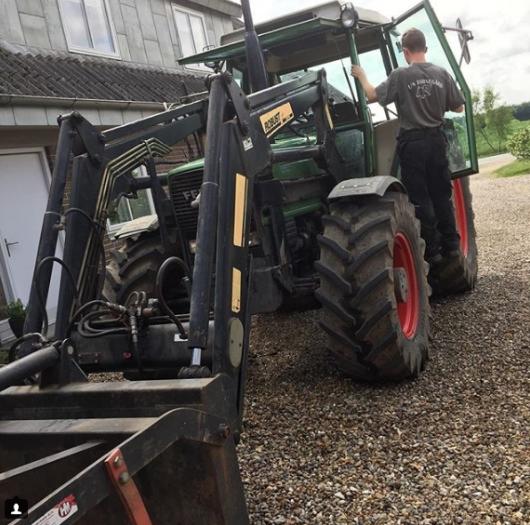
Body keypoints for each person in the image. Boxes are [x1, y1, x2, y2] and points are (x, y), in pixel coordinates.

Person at [351, 28, 465, 264]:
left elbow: (372, 95)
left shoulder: (401, 75)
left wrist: (361, 75)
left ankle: (431, 252)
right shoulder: (442, 73)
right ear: (425, 47)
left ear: (405, 51)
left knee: (419, 198)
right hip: (436, 140)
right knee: (442, 195)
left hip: (412, 144)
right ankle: (452, 247)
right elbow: (459, 107)